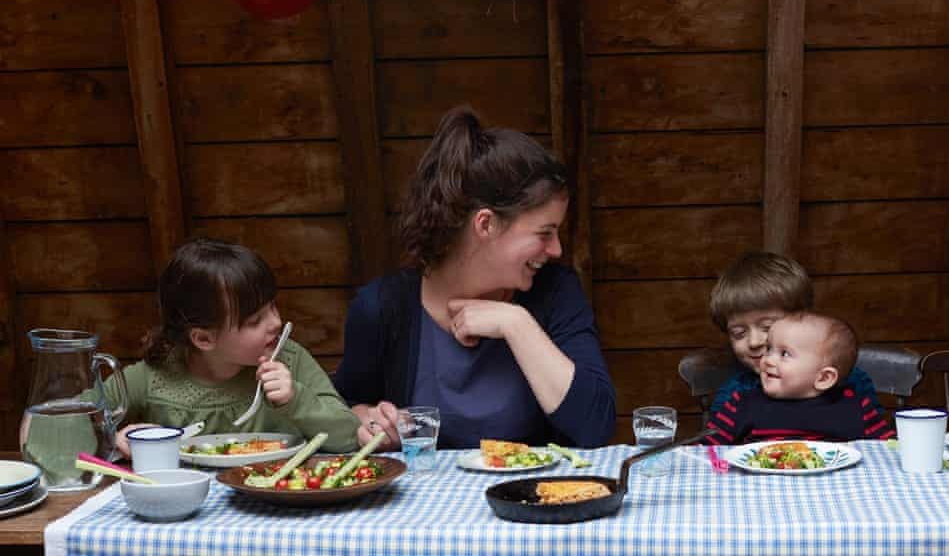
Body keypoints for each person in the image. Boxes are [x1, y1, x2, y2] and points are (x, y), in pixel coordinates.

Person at [333, 107, 616, 450]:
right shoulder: (381, 308)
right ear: (485, 224)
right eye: (545, 233)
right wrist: (365, 421)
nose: (556, 249)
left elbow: (597, 427)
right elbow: (341, 414)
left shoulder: (556, 292)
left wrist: (517, 324)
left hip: (531, 498)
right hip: (425, 503)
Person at [110, 238, 359, 457]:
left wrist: (295, 399)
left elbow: (349, 436)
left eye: (273, 306)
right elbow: (77, 423)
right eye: (254, 321)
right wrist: (116, 438)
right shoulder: (152, 377)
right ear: (204, 339)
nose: (276, 322)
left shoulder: (289, 360)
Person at [707, 252, 886, 422]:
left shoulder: (851, 383)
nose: (754, 342)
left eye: (768, 327)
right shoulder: (734, 395)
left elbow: (874, 439)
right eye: (739, 333)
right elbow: (715, 448)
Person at [704, 312, 894, 444]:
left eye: (785, 354)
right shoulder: (739, 406)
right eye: (769, 349)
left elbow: (888, 451)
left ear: (824, 378)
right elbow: (706, 451)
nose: (768, 359)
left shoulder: (857, 407)